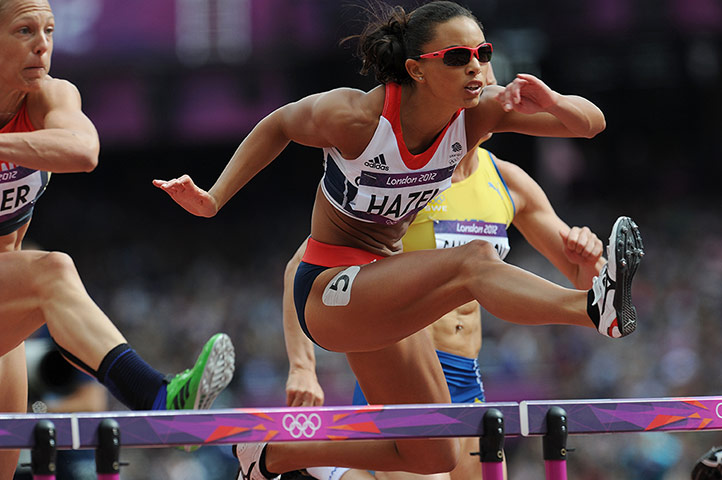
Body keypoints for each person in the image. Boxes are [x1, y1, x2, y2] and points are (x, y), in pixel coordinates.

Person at [154, 1, 643, 478]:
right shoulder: (355, 118)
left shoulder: (477, 117)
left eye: (484, 53)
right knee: (473, 262)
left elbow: (591, 124)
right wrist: (215, 198)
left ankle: (271, 457)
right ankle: (592, 310)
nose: (477, 68)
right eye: (457, 57)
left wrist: (553, 100)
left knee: (434, 456)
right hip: (329, 289)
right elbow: (279, 123)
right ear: (417, 69)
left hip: (386, 300)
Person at [0, 1, 235, 477]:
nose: (42, 44)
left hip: (5, 301)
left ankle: (161, 401)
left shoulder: (49, 96)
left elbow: (83, 150)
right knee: (52, 269)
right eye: (25, 30)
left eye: (48, 29)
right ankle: (158, 398)